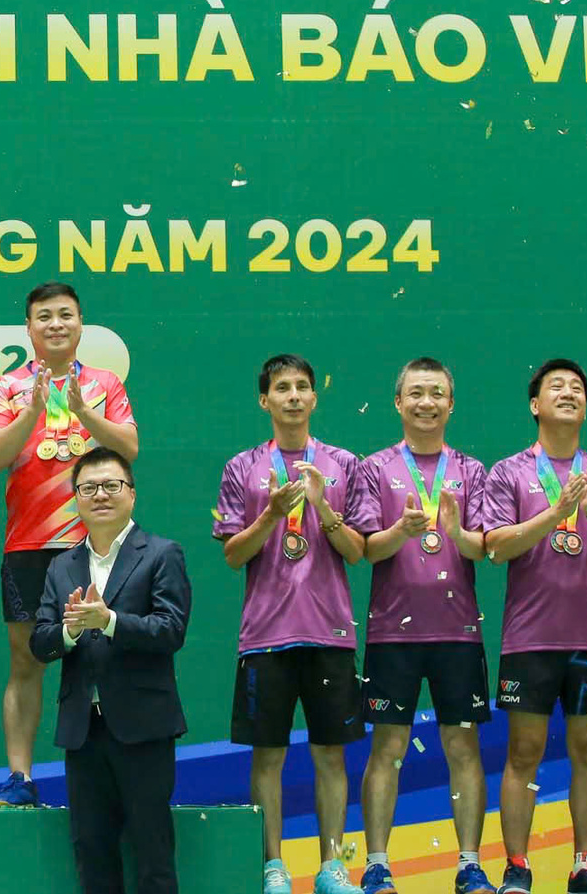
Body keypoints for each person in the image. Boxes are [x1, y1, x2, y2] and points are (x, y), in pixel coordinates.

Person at [478, 358, 587, 894]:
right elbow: (496, 546)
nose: (568, 394)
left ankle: (584, 866)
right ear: (535, 405)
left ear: (586, 406)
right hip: (529, 639)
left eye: (576, 388)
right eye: (556, 387)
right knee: (523, 754)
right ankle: (517, 868)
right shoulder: (509, 472)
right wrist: (556, 512)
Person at [213, 353, 370, 894]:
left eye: (303, 386)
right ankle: (273, 867)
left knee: (331, 753)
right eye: (283, 388)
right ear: (266, 400)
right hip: (265, 635)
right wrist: (272, 513)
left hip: (330, 632)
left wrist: (324, 510)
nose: (295, 395)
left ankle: (332, 867)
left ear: (314, 398)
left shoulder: (345, 465)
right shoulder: (241, 467)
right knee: (269, 755)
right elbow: (234, 555)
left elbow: (357, 552)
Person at [0, 281, 136, 807]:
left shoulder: (105, 384)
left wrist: (83, 411)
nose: (54, 324)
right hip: (28, 545)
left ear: (80, 324)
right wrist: (32, 410)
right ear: (29, 327)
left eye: (65, 315)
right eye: (43, 316)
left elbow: (129, 446)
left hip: (96, 549)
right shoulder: (7, 387)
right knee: (26, 663)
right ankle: (20, 778)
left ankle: (103, 775)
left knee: (100, 659)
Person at [352, 359, 495, 894]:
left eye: (437, 393)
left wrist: (456, 534)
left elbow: (484, 546)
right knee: (386, 747)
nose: (426, 402)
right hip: (393, 634)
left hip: (460, 632)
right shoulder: (373, 469)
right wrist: (401, 529)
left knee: (463, 749)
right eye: (416, 393)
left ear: (451, 404)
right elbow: (368, 549)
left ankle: (470, 864)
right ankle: (377, 865)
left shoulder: (474, 471)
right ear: (399, 403)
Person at [30, 448, 189, 894]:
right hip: (83, 731)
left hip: (144, 728)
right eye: (89, 488)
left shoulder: (161, 554)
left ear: (132, 495)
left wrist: (110, 621)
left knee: (152, 851)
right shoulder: (62, 565)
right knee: (91, 851)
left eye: (111, 486)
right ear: (76, 499)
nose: (100, 495)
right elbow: (40, 643)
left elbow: (171, 630)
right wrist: (70, 632)